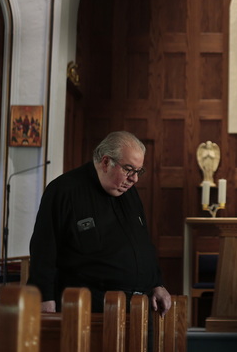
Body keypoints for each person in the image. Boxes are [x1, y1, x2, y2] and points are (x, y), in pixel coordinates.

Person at [27, 131, 171, 318]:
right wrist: (44, 297)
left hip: (141, 307)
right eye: (129, 169)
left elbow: (143, 245)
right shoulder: (64, 191)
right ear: (105, 162)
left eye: (138, 171)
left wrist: (157, 284)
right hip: (90, 310)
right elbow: (44, 249)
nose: (134, 179)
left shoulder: (130, 194)